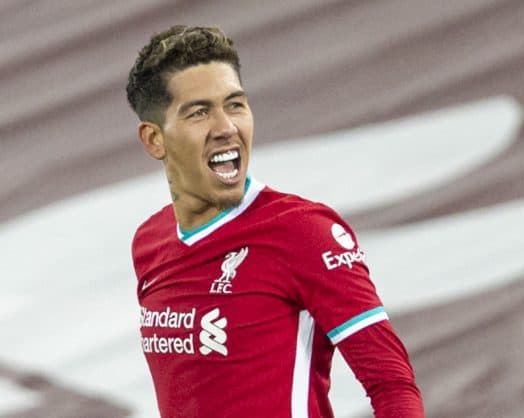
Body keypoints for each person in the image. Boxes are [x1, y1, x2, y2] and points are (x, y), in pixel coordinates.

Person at [126, 25, 424, 418]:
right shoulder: (150, 241)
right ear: (154, 139)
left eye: (235, 105)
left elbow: (392, 386)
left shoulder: (303, 232)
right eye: (199, 112)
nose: (226, 127)